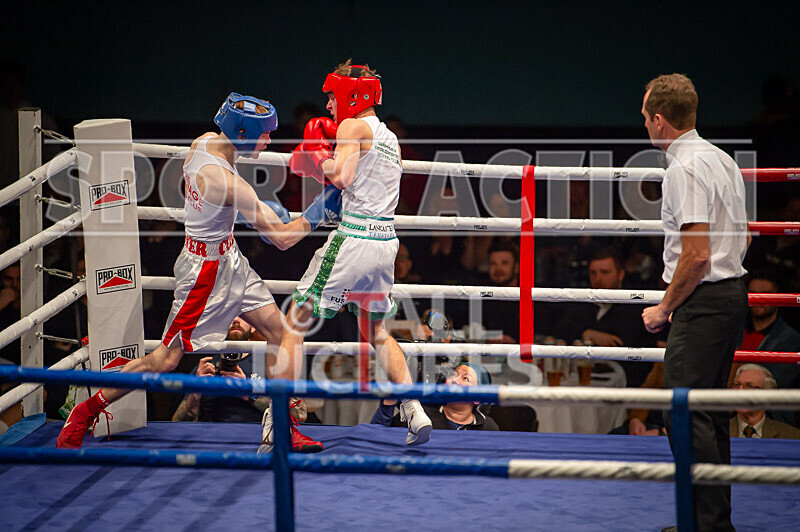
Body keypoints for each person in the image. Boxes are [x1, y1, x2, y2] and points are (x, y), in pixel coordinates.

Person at [57, 93, 341, 450]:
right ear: (241, 132)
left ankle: (280, 425)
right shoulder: (229, 183)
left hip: (229, 257)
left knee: (281, 333)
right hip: (205, 274)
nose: (269, 141)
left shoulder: (205, 142)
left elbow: (204, 195)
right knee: (164, 359)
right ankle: (86, 410)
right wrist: (318, 212)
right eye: (264, 134)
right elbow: (282, 240)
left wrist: (231, 212)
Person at [263, 60, 433, 452]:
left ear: (348, 95)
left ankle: (277, 423)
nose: (327, 106)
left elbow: (341, 177)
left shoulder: (351, 126)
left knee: (293, 322)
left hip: (354, 239)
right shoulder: (390, 137)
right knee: (377, 332)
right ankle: (414, 408)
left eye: (330, 97)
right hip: (386, 244)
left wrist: (315, 155)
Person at [640, 74, 749, 531]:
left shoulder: (683, 168)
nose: (644, 123)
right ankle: (711, 523)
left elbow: (698, 253)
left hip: (703, 302)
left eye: (645, 116)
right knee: (708, 413)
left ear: (660, 121)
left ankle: (705, 527)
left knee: (686, 412)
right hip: (729, 297)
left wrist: (665, 308)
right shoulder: (721, 158)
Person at [551, 247, 654, 387]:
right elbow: (559, 330)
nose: (598, 278)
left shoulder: (634, 303)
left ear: (621, 274)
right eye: (593, 273)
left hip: (625, 384)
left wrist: (585, 334)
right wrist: (588, 333)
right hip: (581, 378)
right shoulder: (583, 300)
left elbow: (620, 341)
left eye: (605, 272)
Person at [171, 317, 267, 423]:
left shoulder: (265, 363)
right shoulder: (206, 365)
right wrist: (196, 392)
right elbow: (178, 421)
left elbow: (283, 411)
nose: (236, 319)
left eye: (242, 315)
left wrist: (248, 393)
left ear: (253, 327)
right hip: (210, 434)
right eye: (230, 314)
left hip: (254, 434)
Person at [371, 362, 498, 431]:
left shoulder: (488, 427)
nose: (454, 380)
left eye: (465, 378)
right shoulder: (420, 414)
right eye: (454, 374)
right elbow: (377, 438)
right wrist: (388, 404)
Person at [730, 364, 800, 439]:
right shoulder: (719, 432)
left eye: (749, 386)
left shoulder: (792, 436)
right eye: (737, 385)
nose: (740, 391)